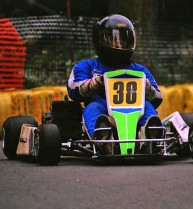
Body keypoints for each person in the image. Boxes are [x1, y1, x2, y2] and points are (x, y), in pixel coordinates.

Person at [67, 14, 163, 153]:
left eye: (123, 40)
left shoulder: (139, 70)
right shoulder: (86, 66)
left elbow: (158, 97)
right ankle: (103, 138)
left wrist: (148, 89)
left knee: (147, 106)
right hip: (104, 112)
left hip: (135, 113)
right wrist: (92, 84)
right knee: (93, 107)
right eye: (114, 39)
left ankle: (148, 137)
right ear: (99, 41)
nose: (119, 44)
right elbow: (73, 89)